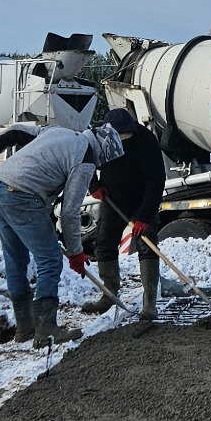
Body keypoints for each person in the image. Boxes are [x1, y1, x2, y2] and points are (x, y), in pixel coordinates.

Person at [0, 118, 122, 347]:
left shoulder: (58, 132)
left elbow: (16, 131)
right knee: (50, 260)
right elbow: (69, 213)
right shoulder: (85, 161)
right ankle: (46, 328)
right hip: (23, 197)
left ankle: (25, 328)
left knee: (16, 260)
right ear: (103, 152)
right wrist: (76, 252)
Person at [90, 108, 167, 321]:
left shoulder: (146, 140)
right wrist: (93, 185)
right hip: (112, 198)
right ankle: (109, 294)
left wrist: (144, 216)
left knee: (146, 243)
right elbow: (84, 162)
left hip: (142, 199)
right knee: (104, 243)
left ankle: (149, 302)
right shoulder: (97, 138)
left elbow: (156, 180)